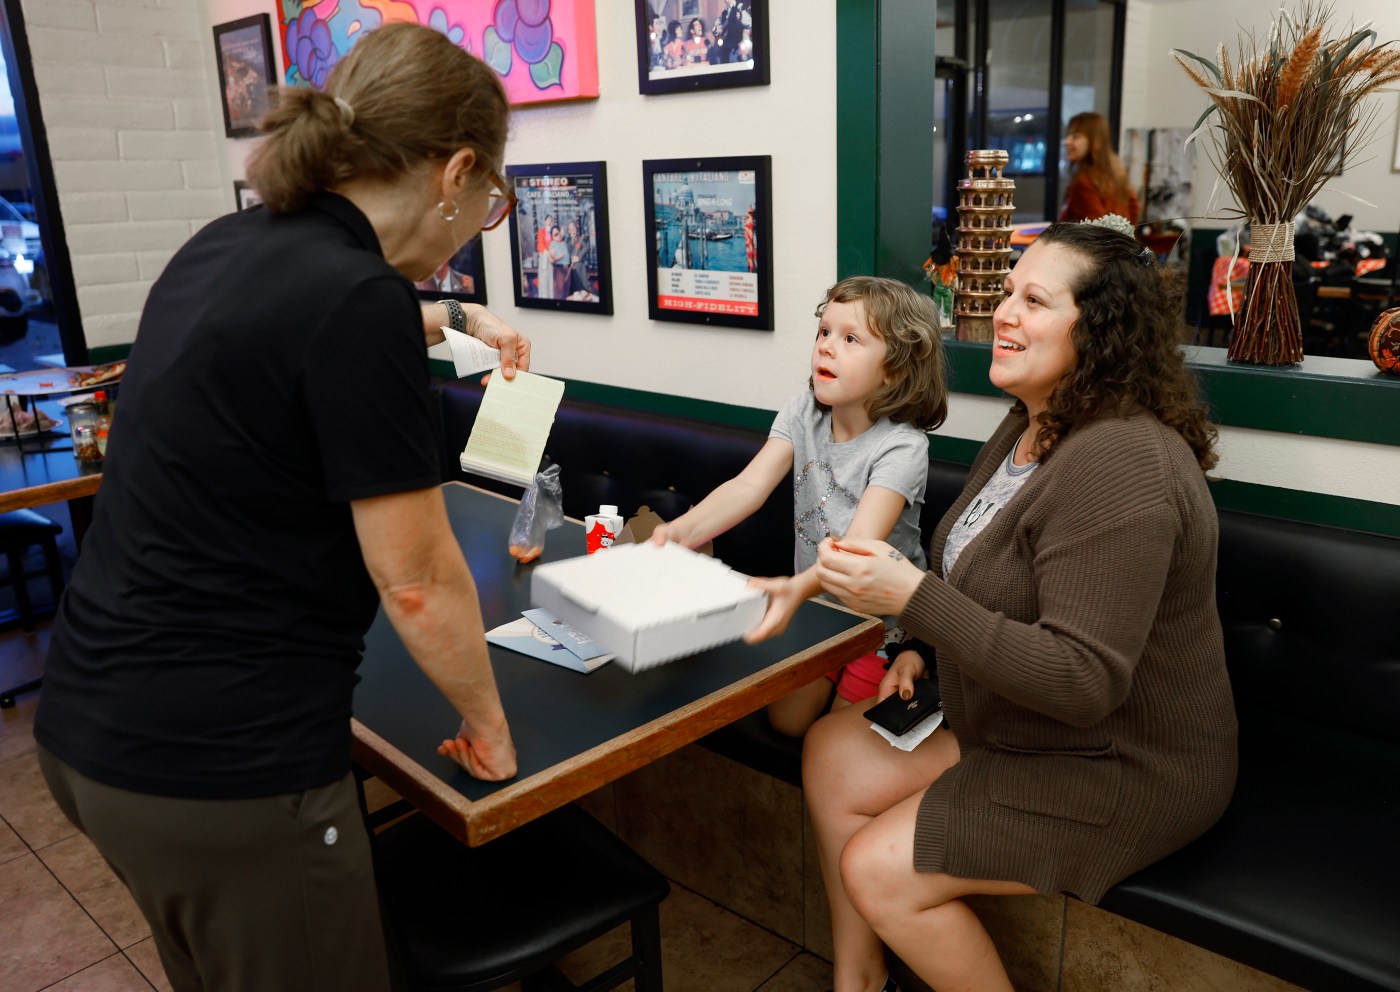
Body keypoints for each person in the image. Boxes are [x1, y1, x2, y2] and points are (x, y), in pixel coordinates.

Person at [34, 23, 532, 992]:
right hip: (226, 763)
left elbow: (304, 333)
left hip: (93, 732)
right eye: (492, 200)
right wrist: (487, 722)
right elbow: (420, 581)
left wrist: (460, 313)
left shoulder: (230, 244)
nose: (480, 219)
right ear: (456, 172)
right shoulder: (354, 303)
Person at [804, 220, 1238, 992]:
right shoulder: (1032, 424)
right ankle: (857, 982)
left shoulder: (1122, 459)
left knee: (878, 869)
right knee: (832, 753)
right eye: (1007, 290)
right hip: (1015, 722)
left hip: (1122, 762)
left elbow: (1082, 680)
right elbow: (992, 580)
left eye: (1034, 299)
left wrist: (914, 599)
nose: (1004, 312)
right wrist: (922, 645)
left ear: (1100, 330)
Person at [653, 277, 947, 737]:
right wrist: (681, 531)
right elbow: (748, 486)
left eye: (851, 339)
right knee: (787, 723)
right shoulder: (801, 412)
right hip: (821, 612)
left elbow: (857, 549)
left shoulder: (902, 446)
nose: (826, 347)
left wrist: (793, 589)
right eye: (823, 332)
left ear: (895, 370)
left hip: (880, 628)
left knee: (836, 736)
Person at [1059, 111, 1140, 223]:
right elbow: (1134, 208)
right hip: (1121, 239)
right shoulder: (1117, 172)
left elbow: (1097, 228)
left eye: (1075, 137)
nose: (1067, 142)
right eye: (1068, 136)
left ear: (1094, 141)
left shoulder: (1084, 182)